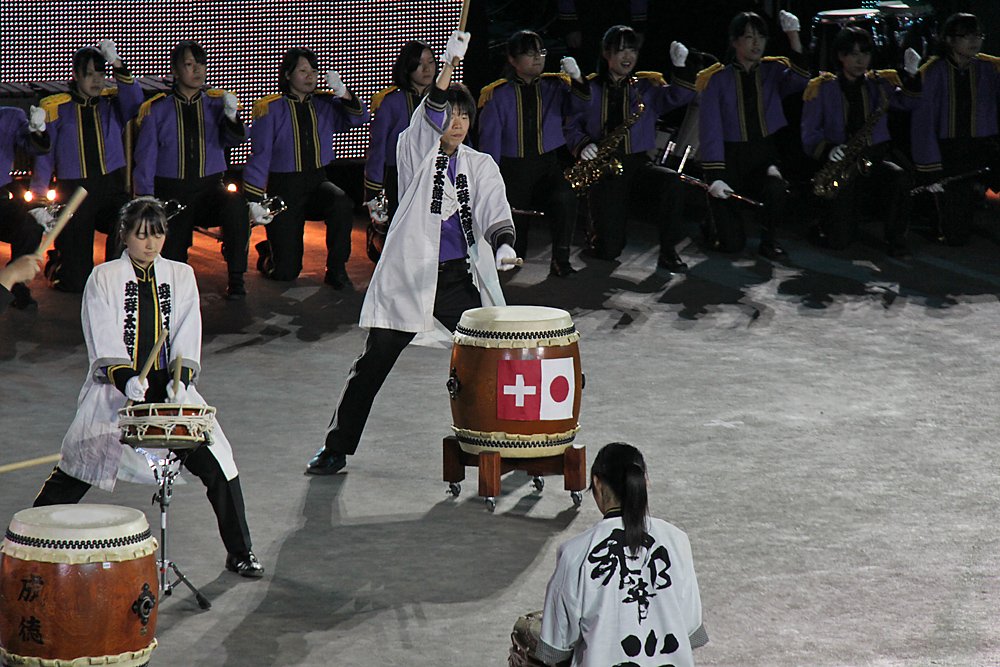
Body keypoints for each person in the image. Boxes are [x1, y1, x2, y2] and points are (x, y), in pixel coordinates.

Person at [306, 30, 517, 475]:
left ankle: (504, 444)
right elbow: (428, 115)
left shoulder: (481, 165)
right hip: (409, 280)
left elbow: (494, 210)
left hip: (457, 280)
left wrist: (503, 246)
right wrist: (447, 69)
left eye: (464, 116)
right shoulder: (416, 150)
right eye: (450, 114)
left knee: (494, 355)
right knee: (373, 364)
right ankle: (337, 447)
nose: (456, 123)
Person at [33, 198, 263, 578]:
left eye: (157, 235)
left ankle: (240, 551)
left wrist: (181, 381)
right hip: (118, 392)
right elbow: (102, 335)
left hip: (170, 393)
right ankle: (28, 540)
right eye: (141, 236)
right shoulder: (103, 278)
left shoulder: (180, 275)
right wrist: (126, 379)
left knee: (218, 463)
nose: (151, 244)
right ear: (124, 236)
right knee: (77, 468)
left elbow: (188, 333)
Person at [536, 442, 708, 666]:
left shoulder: (576, 553)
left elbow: (556, 647)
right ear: (644, 481)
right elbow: (690, 629)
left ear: (597, 483)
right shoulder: (677, 541)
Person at [568, 25, 696, 271]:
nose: (628, 57)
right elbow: (571, 124)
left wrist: (680, 67)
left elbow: (679, 97)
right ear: (606, 53)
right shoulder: (589, 87)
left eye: (633, 51)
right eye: (621, 50)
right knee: (608, 251)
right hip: (604, 170)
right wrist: (583, 145)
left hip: (637, 164)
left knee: (673, 183)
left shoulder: (645, 87)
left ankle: (668, 252)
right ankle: (598, 233)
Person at [134, 40, 250, 298]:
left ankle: (237, 277)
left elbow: (237, 139)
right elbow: (145, 159)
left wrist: (232, 118)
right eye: (189, 64)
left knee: (235, 205)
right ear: (175, 71)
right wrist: (145, 198)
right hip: (173, 192)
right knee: (174, 254)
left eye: (201, 64)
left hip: (209, 189)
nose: (198, 70)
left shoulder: (216, 104)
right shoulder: (157, 110)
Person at [243, 48, 369, 287]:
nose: (310, 76)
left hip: (317, 182)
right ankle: (270, 251)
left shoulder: (324, 104)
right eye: (303, 71)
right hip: (285, 188)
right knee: (286, 272)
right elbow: (259, 157)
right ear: (288, 75)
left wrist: (342, 92)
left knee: (341, 202)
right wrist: (254, 198)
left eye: (313, 70)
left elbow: (359, 118)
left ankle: (336, 269)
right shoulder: (270, 109)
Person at [31, 40, 143, 292]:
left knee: (126, 220)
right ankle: (59, 263)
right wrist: (39, 200)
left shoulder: (112, 106)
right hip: (75, 194)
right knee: (76, 282)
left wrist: (117, 64)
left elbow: (135, 100)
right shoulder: (59, 110)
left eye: (100, 73)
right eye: (89, 74)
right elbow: (45, 158)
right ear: (75, 75)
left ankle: (116, 277)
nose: (96, 80)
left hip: (110, 189)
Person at [697, 11, 809, 259]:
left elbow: (802, 80)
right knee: (731, 245)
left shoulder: (772, 71)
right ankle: (712, 221)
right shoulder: (716, 80)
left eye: (760, 37)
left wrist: (794, 36)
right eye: (748, 37)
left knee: (776, 186)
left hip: (762, 154)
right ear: (735, 41)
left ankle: (769, 241)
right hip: (728, 159)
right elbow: (710, 131)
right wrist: (715, 175)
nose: (756, 43)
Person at [801, 28, 922, 256]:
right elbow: (809, 132)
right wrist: (828, 149)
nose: (860, 60)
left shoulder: (879, 84)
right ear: (840, 56)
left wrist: (912, 75)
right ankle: (824, 226)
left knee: (900, 177)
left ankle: (896, 239)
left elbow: (908, 104)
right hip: (843, 164)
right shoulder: (822, 87)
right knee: (839, 241)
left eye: (865, 54)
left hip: (873, 158)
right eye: (853, 54)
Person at [478, 30, 589, 276]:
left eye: (541, 51)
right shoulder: (497, 95)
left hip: (547, 165)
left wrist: (578, 77)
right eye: (529, 53)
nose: (538, 58)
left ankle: (561, 260)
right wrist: (489, 181)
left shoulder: (555, 86)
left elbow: (581, 106)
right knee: (516, 252)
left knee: (566, 197)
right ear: (512, 59)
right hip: (512, 168)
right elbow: (489, 144)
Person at [911, 12, 1000, 246]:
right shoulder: (933, 71)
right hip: (949, 152)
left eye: (978, 35)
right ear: (949, 40)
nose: (975, 41)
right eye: (967, 36)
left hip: (983, 145)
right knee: (955, 236)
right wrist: (930, 164)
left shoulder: (989, 68)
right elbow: (923, 122)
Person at [364, 41, 437, 262]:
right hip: (399, 176)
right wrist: (373, 193)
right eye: (419, 64)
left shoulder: (444, 98)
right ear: (407, 68)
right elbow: (377, 149)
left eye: (431, 62)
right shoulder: (391, 102)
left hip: (435, 172)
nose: (427, 69)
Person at [1, 103, 49, 308]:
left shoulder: (10, 116)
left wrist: (37, 130)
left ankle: (15, 286)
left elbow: (35, 148)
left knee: (30, 227)